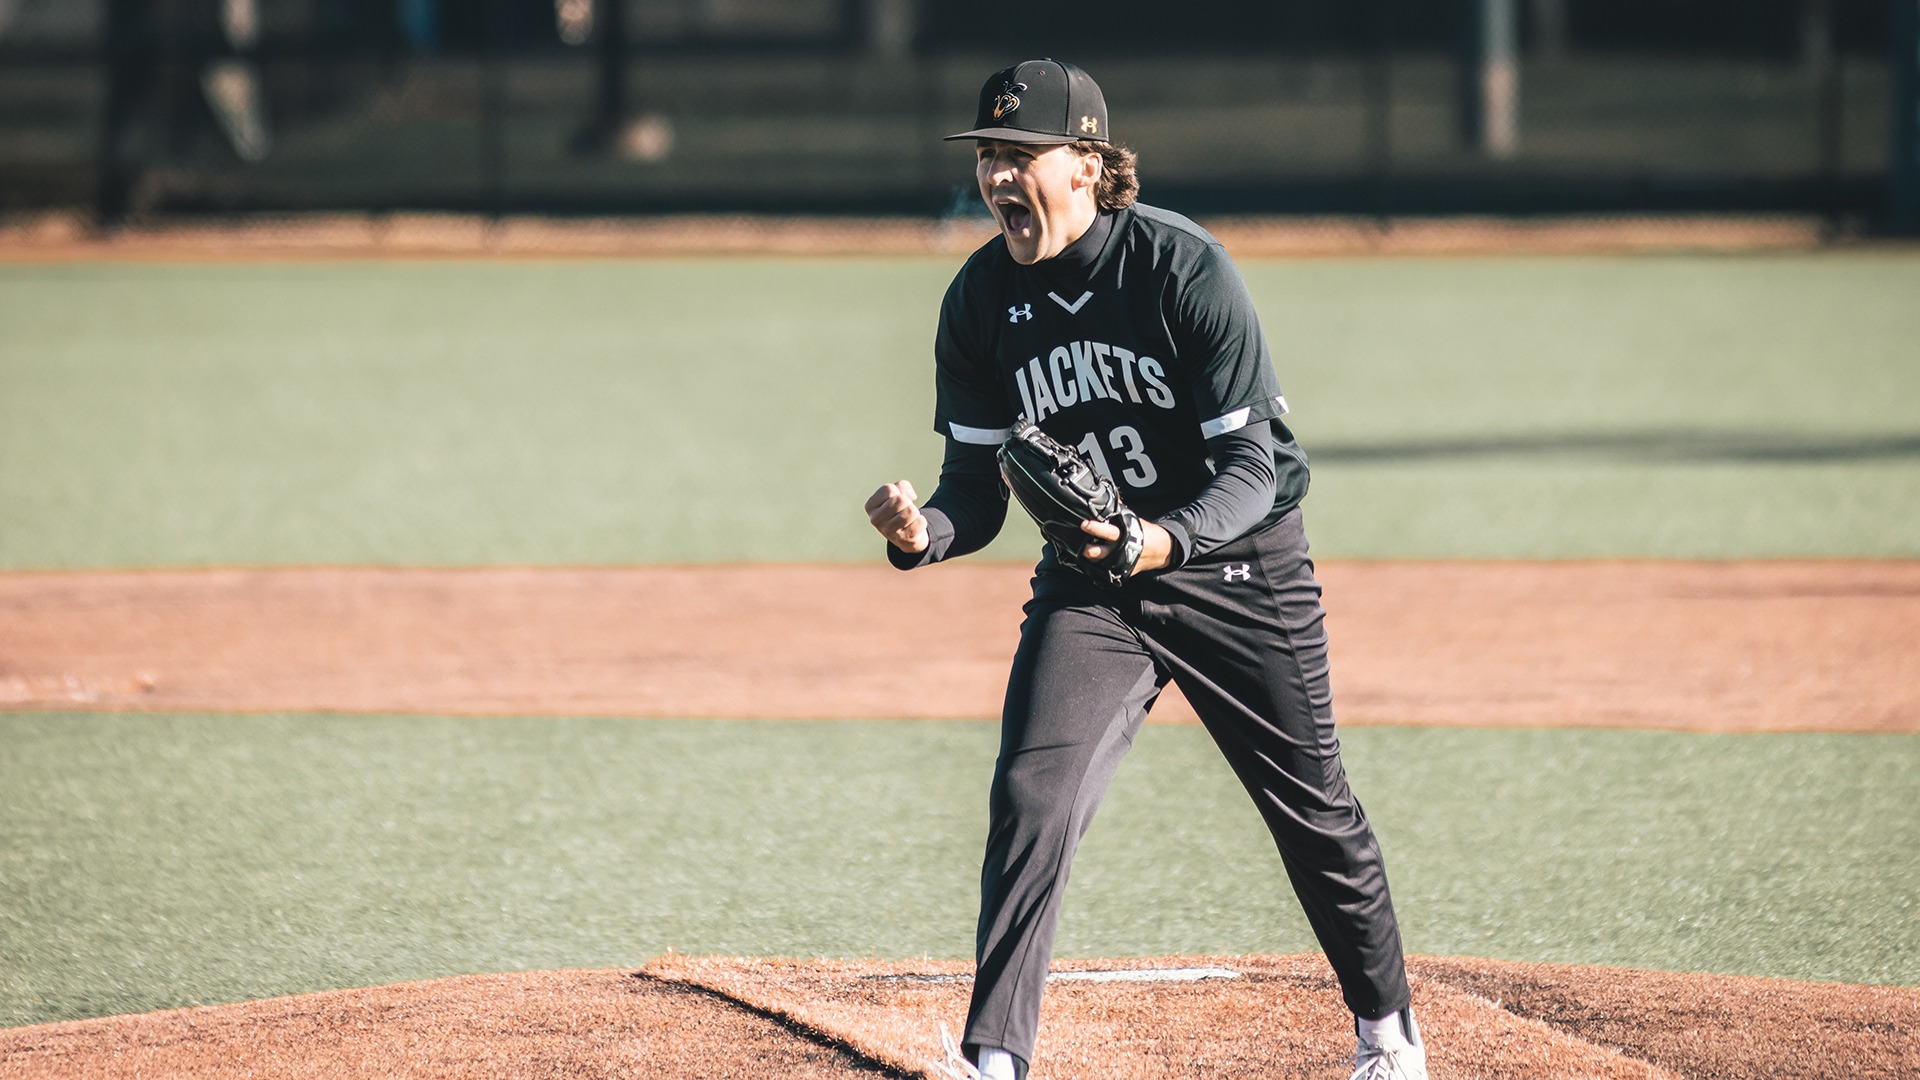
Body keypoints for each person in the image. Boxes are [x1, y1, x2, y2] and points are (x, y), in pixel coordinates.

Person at [865, 59, 1429, 1080]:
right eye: (989, 156)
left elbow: (1261, 466)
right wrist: (924, 535)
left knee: (1309, 805)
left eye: (1020, 155)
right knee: (1035, 792)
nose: (998, 177)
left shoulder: (1179, 268)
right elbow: (974, 486)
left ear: (1086, 165)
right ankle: (995, 1059)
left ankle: (1388, 1035)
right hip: (1094, 584)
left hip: (1238, 573)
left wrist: (1162, 541)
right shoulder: (980, 298)